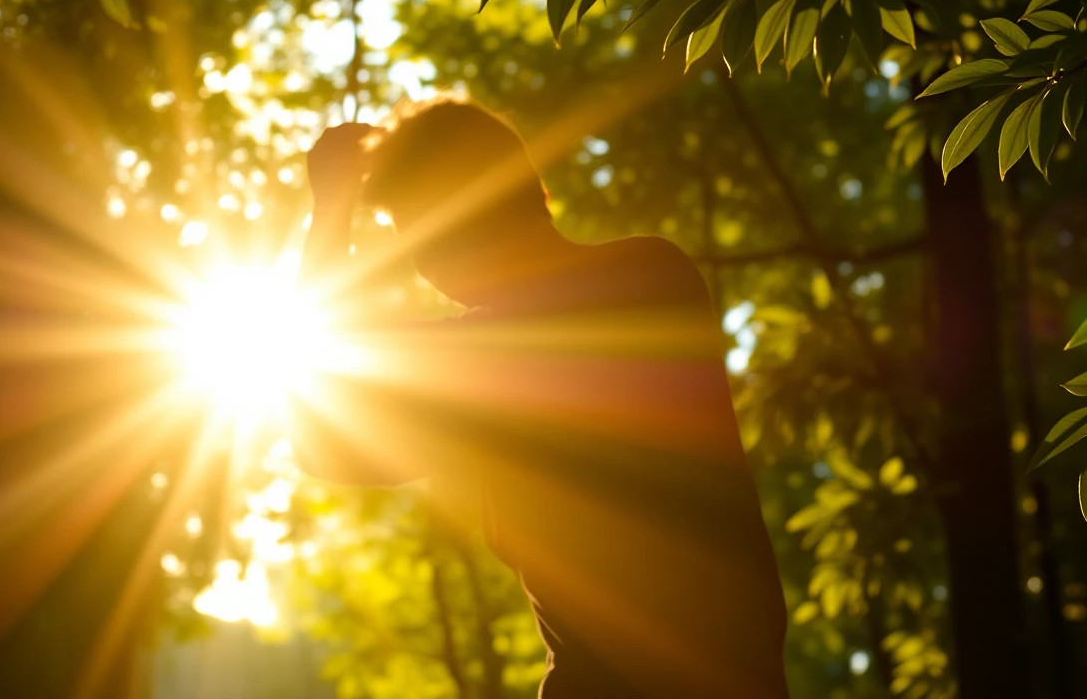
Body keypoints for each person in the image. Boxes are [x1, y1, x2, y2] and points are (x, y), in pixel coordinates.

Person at [293, 99, 790, 698]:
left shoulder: (484, 357)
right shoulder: (656, 274)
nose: (421, 267)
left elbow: (319, 433)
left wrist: (331, 211)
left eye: (412, 235)